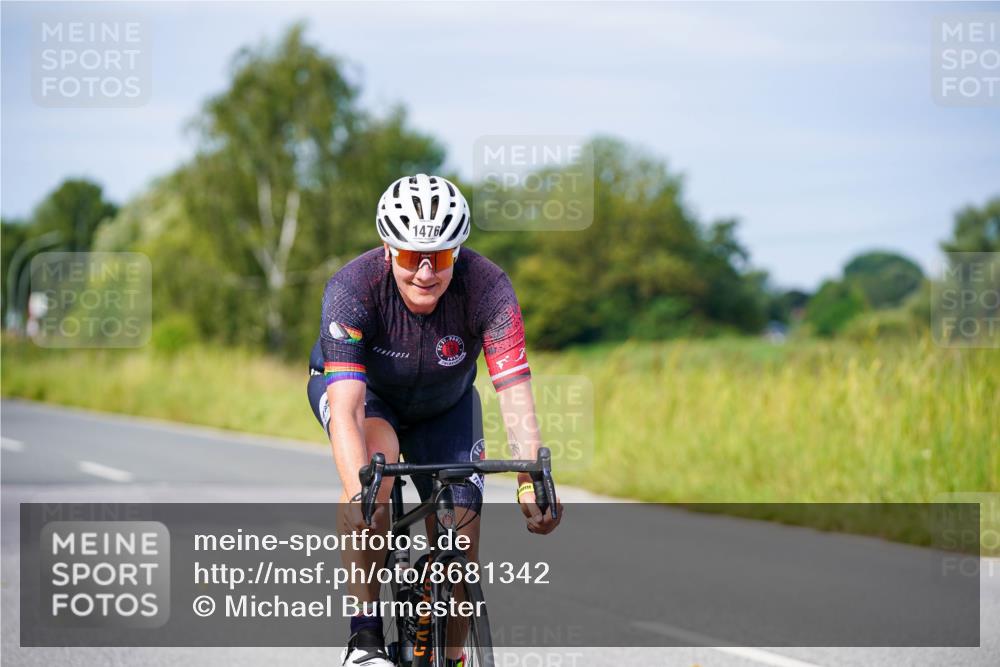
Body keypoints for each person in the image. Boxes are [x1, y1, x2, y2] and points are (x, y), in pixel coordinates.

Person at [307, 174, 562, 666]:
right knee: (374, 473)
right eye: (411, 257)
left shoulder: (488, 288)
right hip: (370, 397)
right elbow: (349, 409)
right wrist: (360, 494)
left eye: (441, 258)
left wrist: (530, 481)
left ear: (458, 253)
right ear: (388, 249)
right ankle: (363, 637)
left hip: (446, 405)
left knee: (462, 541)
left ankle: (451, 657)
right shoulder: (351, 288)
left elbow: (514, 394)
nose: (425, 272)